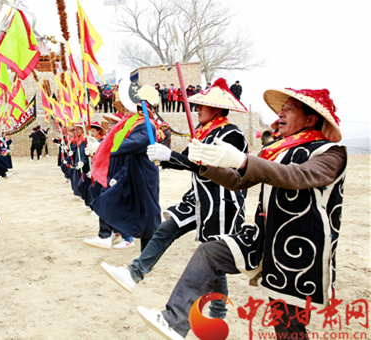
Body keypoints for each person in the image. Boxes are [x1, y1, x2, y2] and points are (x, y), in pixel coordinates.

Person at [136, 87, 346, 340]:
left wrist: (243, 160)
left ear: (311, 119)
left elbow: (297, 176)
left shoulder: (330, 154)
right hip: (263, 237)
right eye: (281, 110)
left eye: (288, 109)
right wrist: (206, 165)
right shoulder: (277, 151)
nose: (279, 115)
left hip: (298, 251)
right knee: (210, 251)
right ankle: (174, 320)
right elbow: (237, 180)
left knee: (288, 327)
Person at [101, 78, 249, 323]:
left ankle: (218, 313)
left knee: (213, 257)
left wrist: (172, 155)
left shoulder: (233, 135)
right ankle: (135, 273)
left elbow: (212, 167)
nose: (197, 109)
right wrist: (163, 157)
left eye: (203, 105)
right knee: (165, 230)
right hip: (197, 198)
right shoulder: (203, 133)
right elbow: (186, 161)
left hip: (222, 201)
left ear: (217, 110)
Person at [88, 80, 161, 251]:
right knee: (113, 201)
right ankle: (112, 235)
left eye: (126, 108)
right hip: (133, 174)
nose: (124, 112)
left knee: (148, 213)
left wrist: (102, 147)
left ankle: (148, 252)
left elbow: (131, 145)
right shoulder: (137, 124)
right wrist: (119, 177)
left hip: (144, 176)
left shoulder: (146, 125)